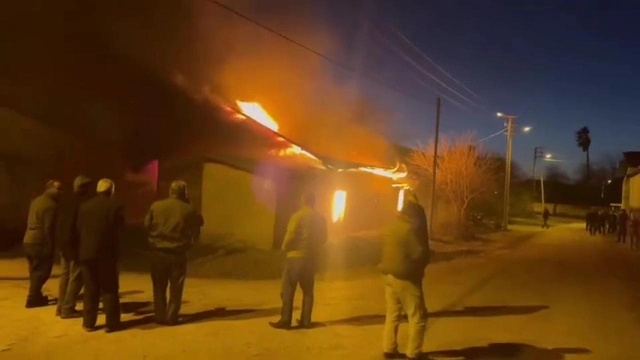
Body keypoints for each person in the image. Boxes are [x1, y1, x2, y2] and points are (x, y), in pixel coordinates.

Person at [144, 180, 203, 326]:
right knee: (176, 287)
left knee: (159, 286)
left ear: (170, 191)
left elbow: (146, 225)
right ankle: (171, 317)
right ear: (184, 193)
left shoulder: (156, 206)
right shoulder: (188, 209)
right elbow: (199, 223)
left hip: (158, 252)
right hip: (178, 253)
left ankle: (159, 315)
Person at [380, 191, 430, 360]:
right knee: (417, 316)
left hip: (389, 276)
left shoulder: (391, 227)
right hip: (405, 277)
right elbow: (419, 252)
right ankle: (414, 353)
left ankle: (389, 349)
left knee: (392, 314)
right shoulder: (409, 230)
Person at [270, 191, 327, 330]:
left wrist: (285, 247)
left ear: (303, 200)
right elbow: (324, 238)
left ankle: (285, 320)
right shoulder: (320, 218)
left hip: (295, 257)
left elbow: (290, 235)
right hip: (311, 258)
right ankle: (306, 321)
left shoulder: (298, 216)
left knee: (288, 289)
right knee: (308, 291)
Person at [77, 179, 124, 332]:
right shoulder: (115, 206)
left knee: (90, 289)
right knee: (109, 289)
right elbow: (120, 232)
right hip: (107, 255)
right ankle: (112, 323)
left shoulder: (85, 207)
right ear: (111, 191)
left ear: (98, 190)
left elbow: (79, 230)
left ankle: (89, 323)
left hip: (87, 254)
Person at [55, 175, 92, 318]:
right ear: (84, 188)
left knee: (65, 275)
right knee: (77, 277)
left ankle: (60, 306)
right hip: (75, 245)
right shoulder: (83, 203)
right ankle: (68, 308)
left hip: (63, 243)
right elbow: (80, 227)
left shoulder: (65, 201)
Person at [23, 180, 62, 308]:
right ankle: (32, 298)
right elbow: (48, 228)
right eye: (58, 189)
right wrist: (51, 246)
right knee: (43, 271)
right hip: (39, 242)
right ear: (50, 189)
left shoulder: (36, 200)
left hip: (28, 240)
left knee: (34, 270)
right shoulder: (51, 205)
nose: (60, 192)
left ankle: (37, 295)